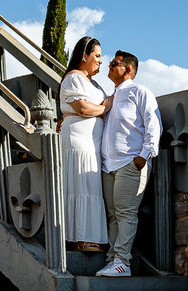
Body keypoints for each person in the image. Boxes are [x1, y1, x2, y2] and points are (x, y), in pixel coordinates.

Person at [97, 51, 161, 277]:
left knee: (125, 213)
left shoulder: (140, 92)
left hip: (130, 163)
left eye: (115, 64)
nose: (110, 66)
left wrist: (143, 156)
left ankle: (123, 261)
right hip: (108, 166)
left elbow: (153, 125)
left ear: (129, 70)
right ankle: (112, 260)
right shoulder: (110, 98)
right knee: (113, 215)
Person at [59, 37, 110, 253]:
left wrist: (101, 106)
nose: (100, 61)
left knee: (91, 186)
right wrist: (105, 107)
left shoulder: (95, 84)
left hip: (93, 143)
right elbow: (83, 109)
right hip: (78, 141)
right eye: (97, 56)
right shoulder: (73, 79)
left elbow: (96, 106)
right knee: (80, 184)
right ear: (84, 55)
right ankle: (77, 237)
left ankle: (90, 236)